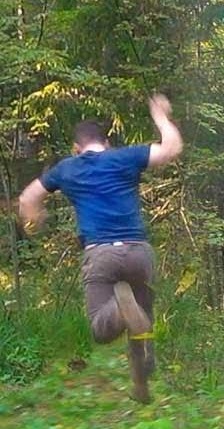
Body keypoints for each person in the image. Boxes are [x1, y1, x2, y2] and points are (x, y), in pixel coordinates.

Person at [18, 94, 184, 404]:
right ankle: (141, 380)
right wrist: (160, 116)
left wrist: (35, 220)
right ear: (106, 143)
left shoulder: (67, 169)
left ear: (77, 148)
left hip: (101, 255)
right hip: (139, 254)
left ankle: (122, 309)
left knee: (102, 328)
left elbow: (28, 198)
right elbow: (171, 149)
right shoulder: (125, 157)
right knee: (141, 314)